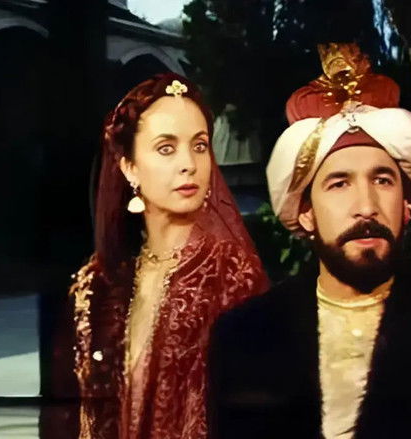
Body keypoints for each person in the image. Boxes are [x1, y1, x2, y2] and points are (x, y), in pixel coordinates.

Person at [207, 43, 411, 439]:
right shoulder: (246, 336)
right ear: (305, 212)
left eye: (383, 180)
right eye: (339, 184)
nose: (367, 207)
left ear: (407, 203)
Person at [53, 72, 268, 439]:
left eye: (200, 146)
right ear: (129, 167)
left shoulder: (234, 278)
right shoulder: (97, 284)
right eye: (166, 148)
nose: (189, 163)